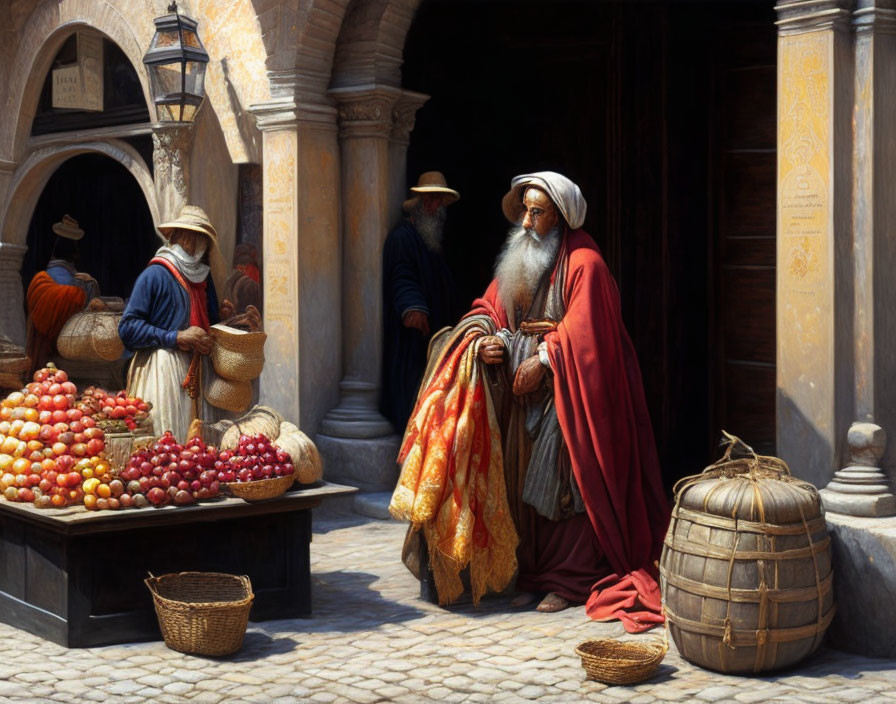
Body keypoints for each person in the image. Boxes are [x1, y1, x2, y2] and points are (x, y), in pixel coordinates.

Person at [390, 172, 670, 633]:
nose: (525, 220)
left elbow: (589, 333)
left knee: (564, 488)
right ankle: (534, 573)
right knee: (523, 487)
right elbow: (488, 308)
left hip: (570, 393)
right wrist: (486, 341)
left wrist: (545, 359)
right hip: (521, 397)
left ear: (558, 216)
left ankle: (571, 578)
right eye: (524, 210)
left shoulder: (585, 263)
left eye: (536, 212)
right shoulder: (521, 257)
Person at [118, 205, 259, 442]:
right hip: (164, 369)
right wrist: (177, 337)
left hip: (201, 371)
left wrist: (232, 319)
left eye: (202, 239)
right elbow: (128, 328)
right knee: (170, 437)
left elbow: (210, 323)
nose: (200, 245)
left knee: (198, 443)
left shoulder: (203, 277)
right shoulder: (155, 275)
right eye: (195, 237)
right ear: (180, 238)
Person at [381, 171, 461, 431]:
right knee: (413, 409)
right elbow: (401, 276)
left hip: (434, 341)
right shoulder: (403, 237)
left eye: (439, 201)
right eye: (431, 200)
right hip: (414, 341)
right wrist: (413, 308)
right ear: (419, 204)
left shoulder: (430, 242)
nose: (436, 207)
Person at [26, 215, 103, 374]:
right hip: (66, 346)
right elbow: (89, 313)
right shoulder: (78, 284)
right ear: (74, 251)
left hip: (43, 347)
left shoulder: (43, 278)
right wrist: (91, 284)